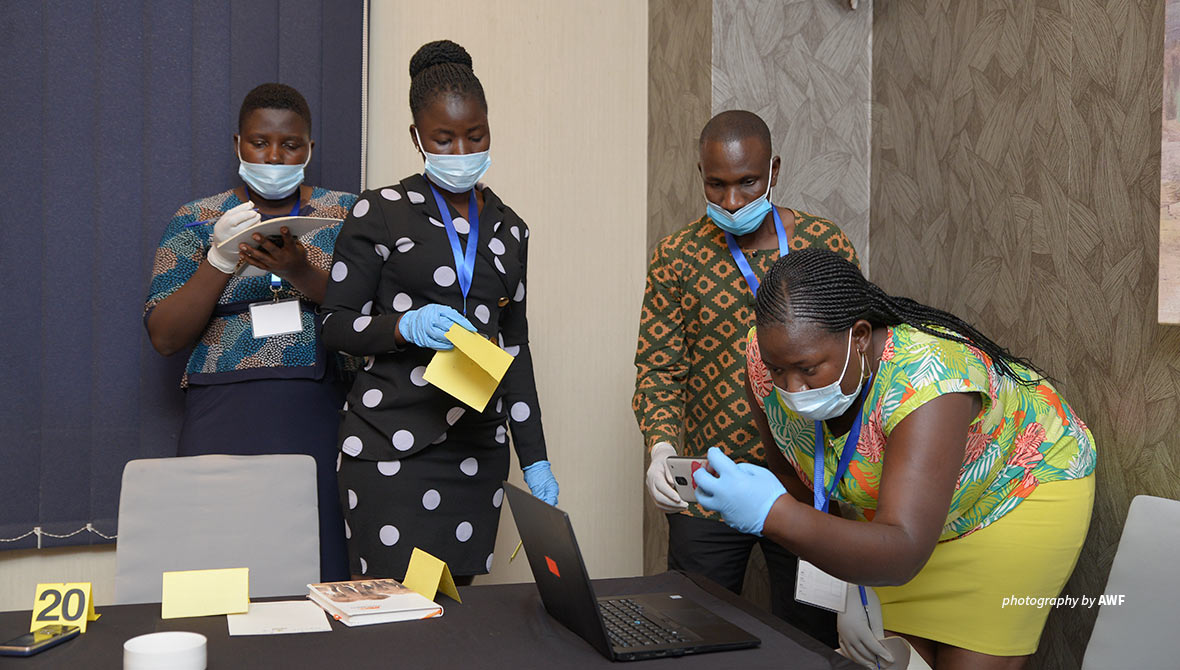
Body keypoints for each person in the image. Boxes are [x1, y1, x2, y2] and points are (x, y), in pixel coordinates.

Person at [694, 248, 1097, 669]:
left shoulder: (932, 378)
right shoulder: (768, 360)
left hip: (1011, 495)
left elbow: (902, 551)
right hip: (897, 526)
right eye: (779, 371)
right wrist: (846, 582)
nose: (791, 388)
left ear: (859, 336)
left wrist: (773, 515)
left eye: (808, 369)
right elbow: (803, 483)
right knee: (894, 663)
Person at [320, 40, 558, 583]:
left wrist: (535, 459)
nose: (461, 150)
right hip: (388, 446)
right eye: (443, 139)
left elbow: (514, 350)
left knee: (457, 613)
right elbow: (334, 326)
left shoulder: (510, 229)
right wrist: (405, 326)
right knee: (395, 615)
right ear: (416, 138)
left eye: (475, 135)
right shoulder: (379, 211)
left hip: (476, 451)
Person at [633, 109, 858, 645]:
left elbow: (858, 355)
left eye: (747, 182)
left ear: (773, 171)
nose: (732, 201)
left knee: (810, 638)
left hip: (806, 486)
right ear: (700, 175)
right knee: (691, 633)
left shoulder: (825, 245)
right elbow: (659, 367)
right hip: (708, 485)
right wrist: (661, 448)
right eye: (717, 185)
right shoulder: (676, 257)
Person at [144, 83, 356, 582]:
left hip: (319, 407)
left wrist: (300, 271)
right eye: (260, 143)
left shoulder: (347, 214)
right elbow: (165, 337)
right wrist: (219, 259)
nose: (274, 157)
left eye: (290, 145)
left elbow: (370, 312)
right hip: (221, 409)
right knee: (218, 561)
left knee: (318, 558)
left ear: (309, 149)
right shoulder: (196, 219)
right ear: (238, 144)